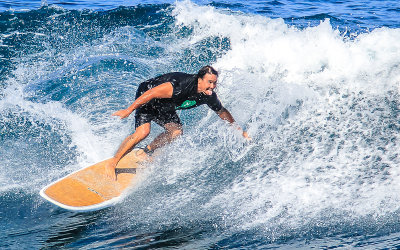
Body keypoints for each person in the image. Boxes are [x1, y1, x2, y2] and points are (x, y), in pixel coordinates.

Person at [105, 65, 250, 180]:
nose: (212, 86)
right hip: (148, 97)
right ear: (200, 80)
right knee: (143, 132)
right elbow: (151, 93)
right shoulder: (181, 86)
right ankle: (113, 162)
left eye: (214, 83)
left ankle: (146, 151)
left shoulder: (208, 96)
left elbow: (222, 112)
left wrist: (239, 130)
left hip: (165, 105)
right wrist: (128, 110)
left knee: (176, 132)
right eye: (209, 82)